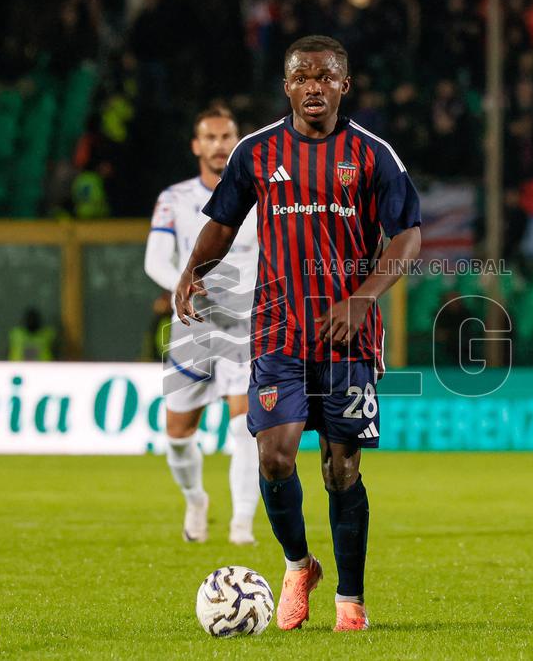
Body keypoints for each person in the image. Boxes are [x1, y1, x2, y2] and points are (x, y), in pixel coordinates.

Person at [174, 35, 422, 632]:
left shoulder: (372, 155)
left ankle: (350, 600)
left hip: (349, 339)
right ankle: (297, 564)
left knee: (342, 470)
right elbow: (223, 222)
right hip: (280, 333)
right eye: (303, 76)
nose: (314, 85)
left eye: (326, 76)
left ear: (344, 84)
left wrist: (363, 300)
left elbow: (408, 237)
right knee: (276, 457)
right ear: (287, 86)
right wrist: (192, 272)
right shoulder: (257, 152)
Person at [143, 105, 261, 546]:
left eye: (226, 136)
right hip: (192, 325)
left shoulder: (260, 196)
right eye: (209, 138)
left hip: (246, 326)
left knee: (244, 426)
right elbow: (155, 258)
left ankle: (241, 526)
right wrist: (184, 284)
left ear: (237, 141)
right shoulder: (173, 199)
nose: (218, 145)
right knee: (178, 435)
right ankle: (196, 499)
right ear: (196, 146)